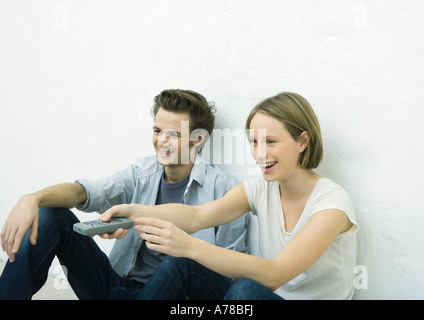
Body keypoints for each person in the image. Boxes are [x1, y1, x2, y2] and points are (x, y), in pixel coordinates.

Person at [101, 92, 358, 300]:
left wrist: (190, 246)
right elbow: (196, 216)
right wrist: (133, 211)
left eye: (270, 142)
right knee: (182, 265)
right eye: (254, 142)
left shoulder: (332, 203)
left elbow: (275, 275)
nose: (258, 154)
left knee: (245, 290)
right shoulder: (260, 188)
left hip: (261, 296)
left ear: (302, 142)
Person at [0, 89, 248, 300]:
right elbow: (84, 192)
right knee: (49, 214)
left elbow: (232, 275)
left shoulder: (225, 192)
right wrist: (31, 198)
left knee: (179, 262)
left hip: (177, 294)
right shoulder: (142, 172)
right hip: (120, 287)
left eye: (173, 134)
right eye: (157, 130)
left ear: (198, 140)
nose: (161, 141)